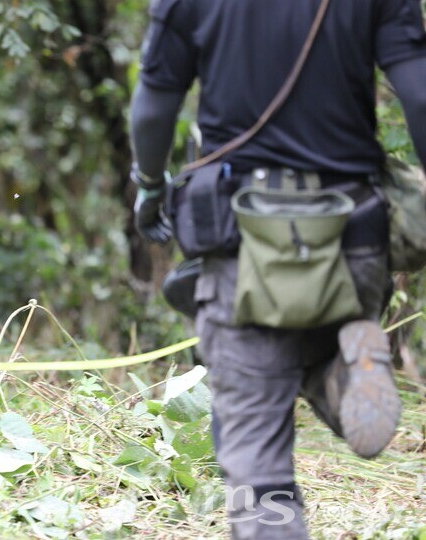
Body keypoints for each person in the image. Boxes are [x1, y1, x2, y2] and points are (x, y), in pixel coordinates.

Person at [128, 0, 426, 537]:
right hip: (351, 235)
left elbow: (154, 108)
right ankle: (346, 371)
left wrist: (150, 185)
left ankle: (339, 370)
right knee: (318, 338)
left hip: (247, 243)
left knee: (257, 473)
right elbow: (421, 94)